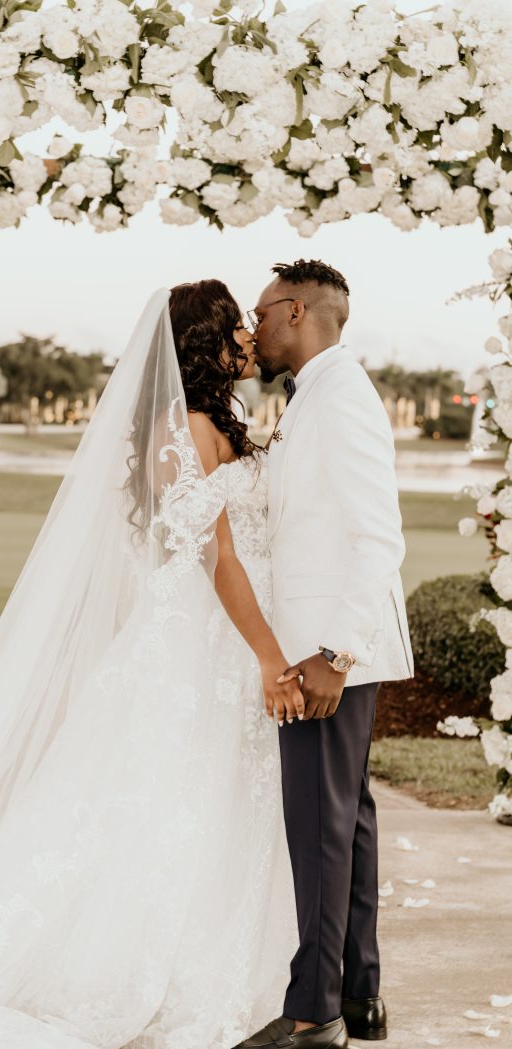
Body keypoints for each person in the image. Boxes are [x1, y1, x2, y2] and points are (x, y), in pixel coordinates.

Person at [0, 282, 301, 1049]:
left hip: (217, 643)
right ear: (206, 343)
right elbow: (218, 556)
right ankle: (140, 966)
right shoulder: (187, 426)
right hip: (208, 641)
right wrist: (271, 655)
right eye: (235, 326)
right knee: (170, 795)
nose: (247, 338)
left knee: (208, 795)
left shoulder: (213, 424)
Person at [237, 259, 414, 1049]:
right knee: (348, 821)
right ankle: (362, 995)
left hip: (327, 652)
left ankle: (315, 1015)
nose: (255, 327)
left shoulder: (341, 399)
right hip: (332, 645)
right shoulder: (320, 394)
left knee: (318, 825)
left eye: (262, 312)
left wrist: (333, 654)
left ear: (296, 309)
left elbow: (380, 537)